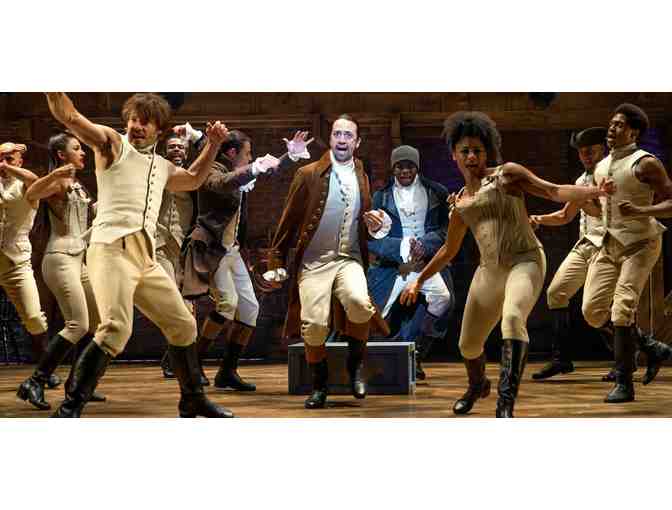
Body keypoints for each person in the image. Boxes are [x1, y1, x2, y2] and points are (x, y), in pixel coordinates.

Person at [400, 111, 614, 417]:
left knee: (512, 318)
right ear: (454, 155)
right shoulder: (460, 204)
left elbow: (553, 190)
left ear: (487, 151)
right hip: (489, 271)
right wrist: (419, 280)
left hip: (525, 260)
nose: (472, 156)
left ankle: (505, 404)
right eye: (465, 151)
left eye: (478, 150)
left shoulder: (507, 175)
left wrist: (595, 190)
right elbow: (448, 250)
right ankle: (477, 385)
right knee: (468, 345)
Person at [45, 92, 233, 418]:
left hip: (145, 256)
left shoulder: (161, 165)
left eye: (145, 122)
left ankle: (192, 399)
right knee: (116, 329)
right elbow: (71, 117)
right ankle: (69, 410)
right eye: (134, 119)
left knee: (183, 325)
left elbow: (192, 180)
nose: (137, 126)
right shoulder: (112, 145)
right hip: (111, 249)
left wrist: (213, 145)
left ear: (159, 129)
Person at [264, 114, 384, 409]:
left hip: (348, 257)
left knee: (360, 304)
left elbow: (366, 217)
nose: (342, 140)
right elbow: (288, 220)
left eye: (348, 135)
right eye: (337, 134)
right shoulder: (307, 174)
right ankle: (320, 384)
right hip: (314, 262)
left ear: (357, 142)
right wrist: (275, 260)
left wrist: (375, 223)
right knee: (314, 325)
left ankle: (356, 366)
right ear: (330, 139)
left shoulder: (362, 172)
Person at [181, 127, 311, 391]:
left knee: (250, 310)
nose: (251, 157)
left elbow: (265, 170)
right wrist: (254, 167)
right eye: (247, 153)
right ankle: (192, 365)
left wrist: (289, 156)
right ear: (232, 153)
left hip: (232, 250)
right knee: (227, 304)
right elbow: (223, 183)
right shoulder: (212, 169)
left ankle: (227, 371)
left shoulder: (237, 169)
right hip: (212, 249)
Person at [583, 103, 672, 403]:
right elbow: (600, 208)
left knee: (621, 309)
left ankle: (624, 382)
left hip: (641, 244)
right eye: (611, 123)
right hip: (610, 244)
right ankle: (651, 346)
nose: (612, 128)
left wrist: (641, 210)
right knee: (592, 312)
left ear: (633, 133)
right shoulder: (601, 166)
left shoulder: (645, 163)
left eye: (619, 124)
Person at [16, 133, 106, 410]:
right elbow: (31, 194)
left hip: (79, 260)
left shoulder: (78, 184)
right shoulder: (56, 182)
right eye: (77, 148)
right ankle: (35, 381)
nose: (83, 153)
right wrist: (55, 174)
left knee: (97, 324)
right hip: (60, 258)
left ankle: (76, 385)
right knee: (77, 324)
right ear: (61, 155)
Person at [529, 127, 611, 380]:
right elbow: (565, 215)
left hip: (607, 246)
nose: (585, 156)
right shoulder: (581, 181)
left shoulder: (610, 174)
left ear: (602, 150)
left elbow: (603, 213)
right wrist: (538, 219)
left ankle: (634, 355)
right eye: (582, 152)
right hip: (585, 244)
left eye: (590, 151)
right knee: (556, 293)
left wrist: (583, 198)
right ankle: (561, 359)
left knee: (597, 309)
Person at [367, 144, 454, 380]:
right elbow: (373, 238)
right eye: (399, 166)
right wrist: (402, 248)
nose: (405, 171)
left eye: (409, 166)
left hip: (427, 263)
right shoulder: (381, 196)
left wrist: (425, 245)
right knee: (376, 312)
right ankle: (377, 362)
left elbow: (446, 231)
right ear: (393, 168)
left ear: (417, 167)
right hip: (396, 266)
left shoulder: (437, 191)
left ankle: (415, 354)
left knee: (443, 298)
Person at [0, 142, 51, 385]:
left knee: (33, 318)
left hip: (16, 262)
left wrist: (8, 167)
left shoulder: (27, 186)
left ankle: (46, 370)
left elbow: (34, 179)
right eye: (0, 158)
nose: (3, 164)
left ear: (20, 162)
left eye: (10, 159)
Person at [155, 130, 197, 378]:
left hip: (183, 246)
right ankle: (177, 361)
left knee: (188, 305)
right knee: (173, 302)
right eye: (172, 147)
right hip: (159, 243)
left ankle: (174, 360)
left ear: (187, 152)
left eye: (180, 147)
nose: (176, 150)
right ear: (165, 150)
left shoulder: (193, 175)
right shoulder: (156, 171)